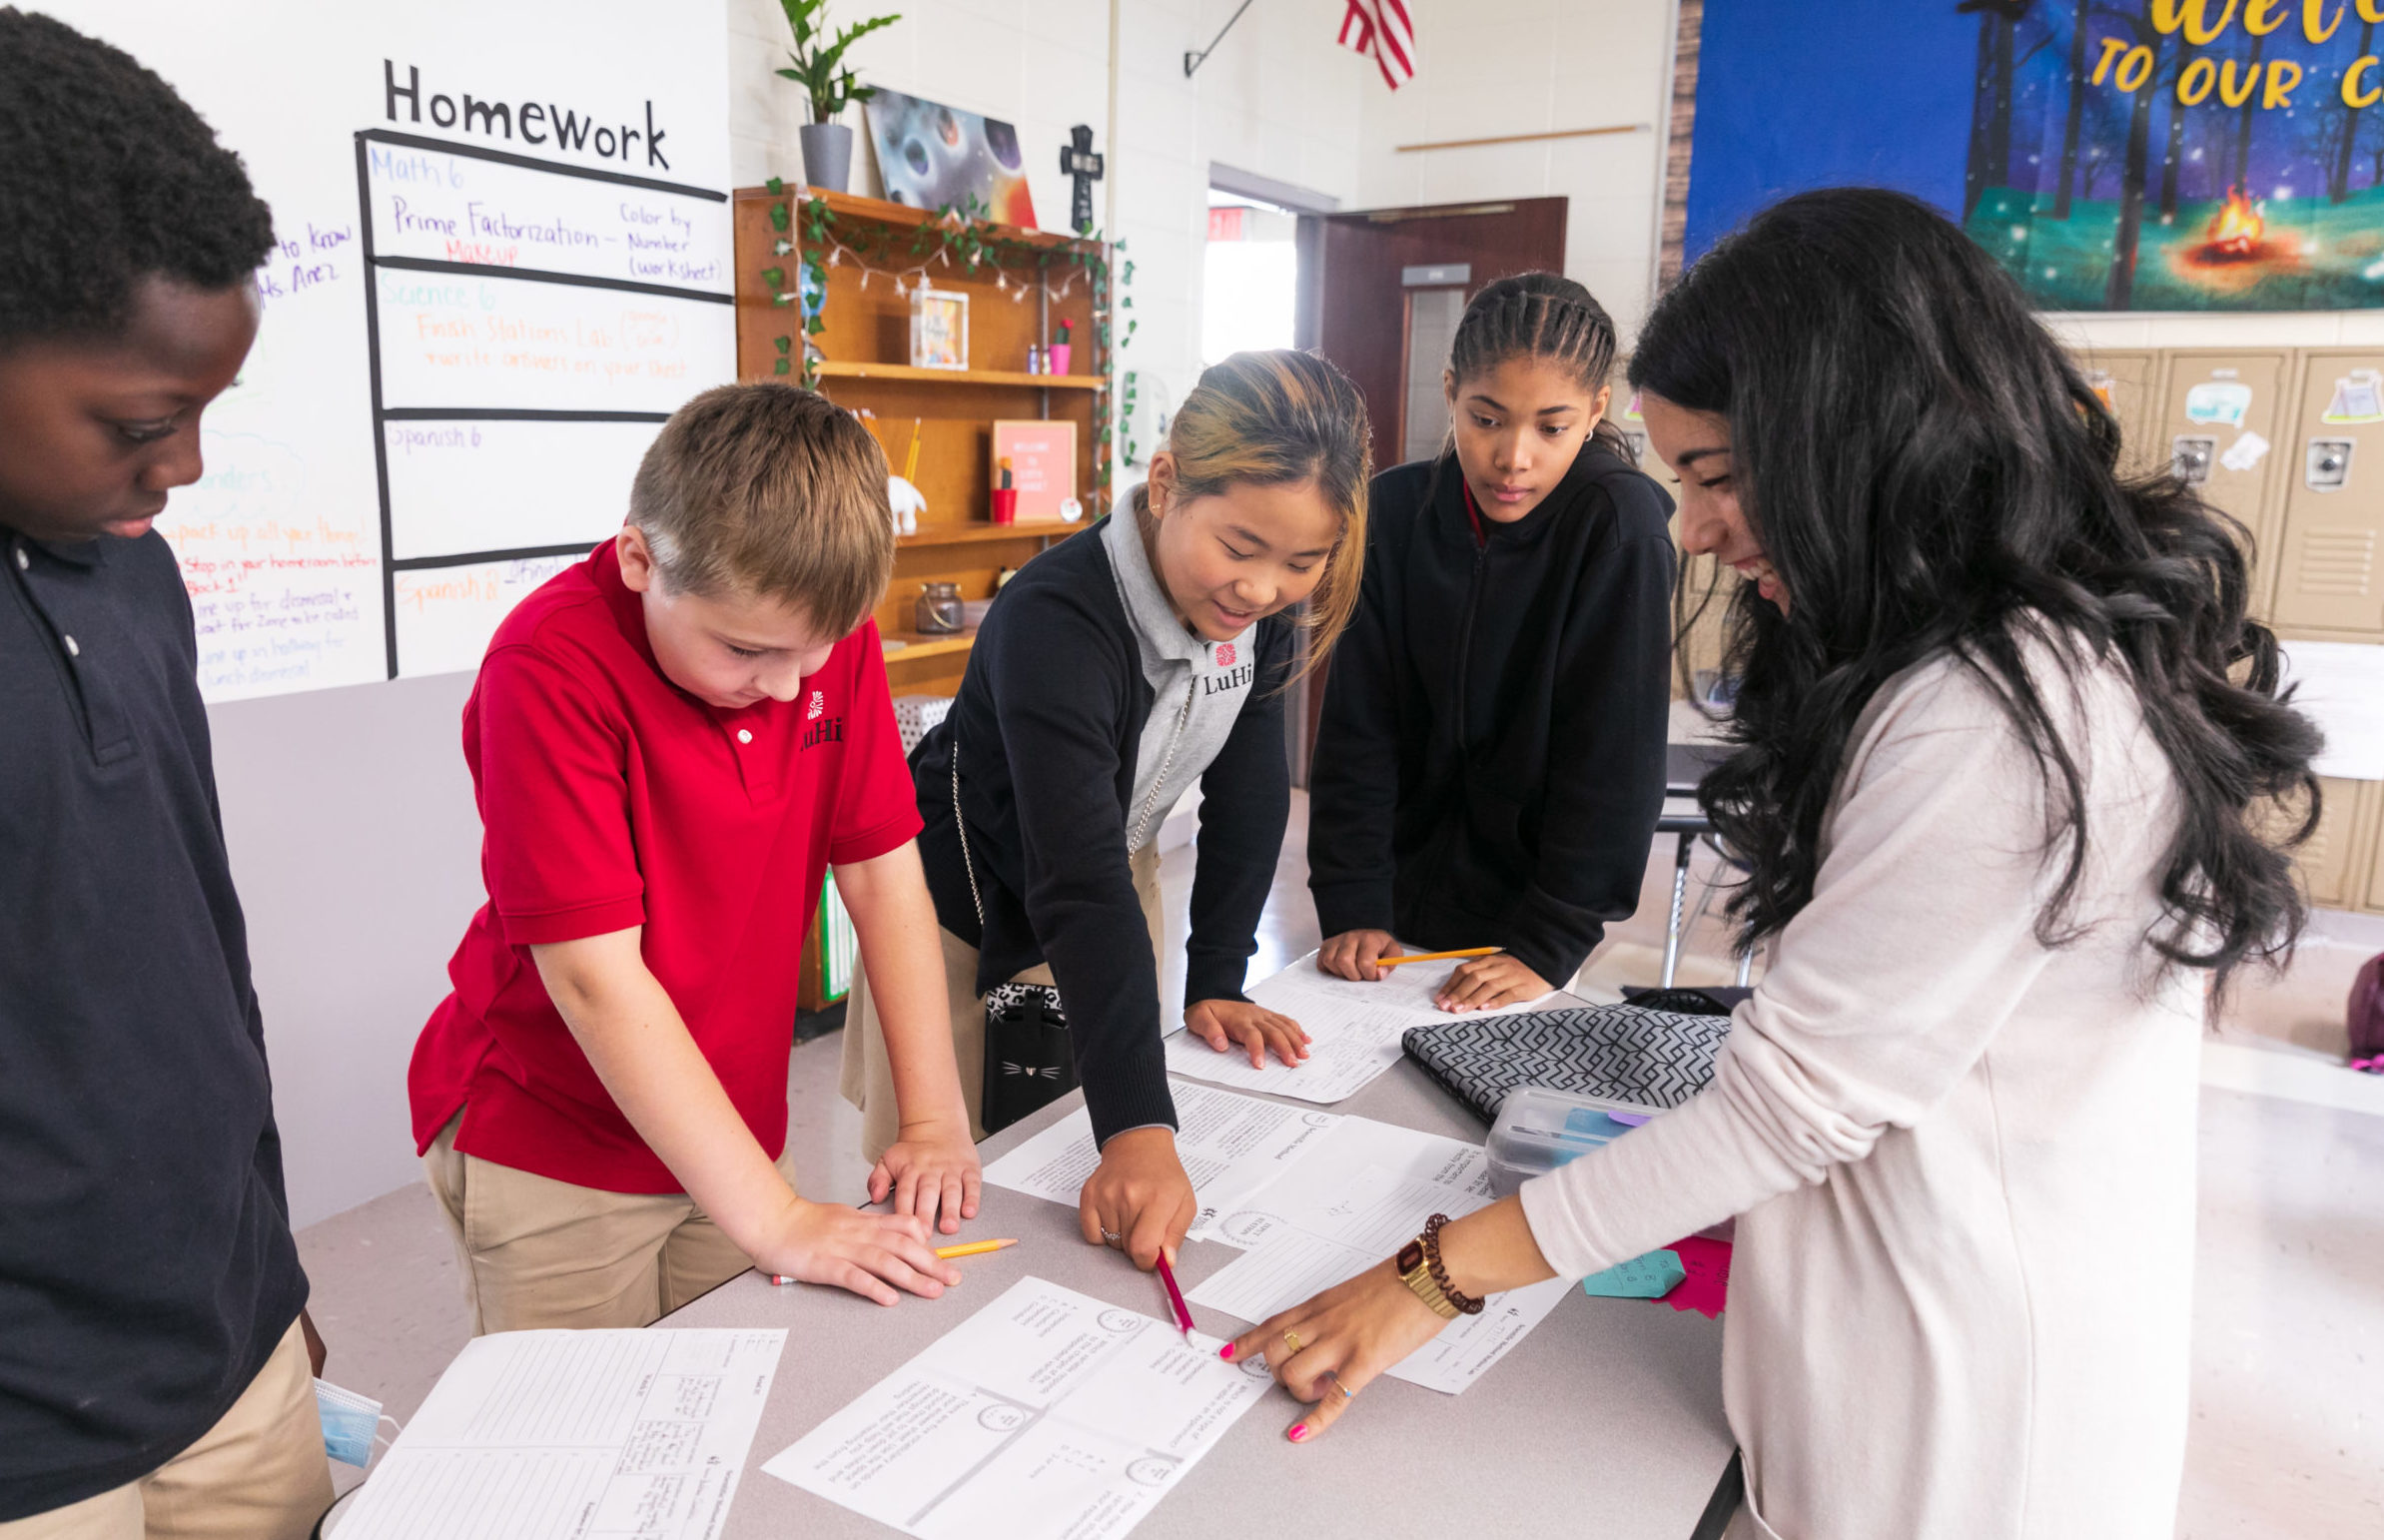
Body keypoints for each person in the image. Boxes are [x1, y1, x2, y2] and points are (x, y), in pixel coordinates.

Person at [1224, 190, 2320, 1540]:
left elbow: (1785, 1110)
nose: (1690, 530)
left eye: (1716, 475)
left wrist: (1427, 1276)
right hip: (1881, 1345)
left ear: (1859, 436)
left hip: (1963, 1419)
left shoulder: (1996, 714)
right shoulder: (1972, 660)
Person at [407, 383, 982, 1330]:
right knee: (582, 1441)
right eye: (747, 652)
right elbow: (594, 978)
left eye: (816, 653)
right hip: (562, 1143)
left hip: (733, 1127)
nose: (787, 686)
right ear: (639, 558)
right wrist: (781, 1218)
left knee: (725, 1412)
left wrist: (930, 1120)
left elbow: (882, 878)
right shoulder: (547, 669)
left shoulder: (806, 632)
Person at [0, 11, 335, 1536]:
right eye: (142, 423)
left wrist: (272, 1282)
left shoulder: (132, 572)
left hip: (227, 1355)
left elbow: (207, 954)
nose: (185, 468)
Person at [843, 349, 1370, 1270]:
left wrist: (1216, 977)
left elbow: (1248, 794)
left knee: (1064, 1164)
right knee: (950, 1181)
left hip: (1106, 874)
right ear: (1166, 483)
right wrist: (1135, 1127)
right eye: (1239, 549)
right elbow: (1076, 881)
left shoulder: (1259, 609)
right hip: (962, 909)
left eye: (1301, 561)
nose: (1260, 590)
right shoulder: (1056, 617)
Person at [1306, 274, 1674, 1011]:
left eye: (1551, 426)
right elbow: (1359, 725)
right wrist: (1352, 899)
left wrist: (1547, 942)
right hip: (1395, 908)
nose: (1513, 458)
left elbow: (1612, 756)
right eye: (1486, 418)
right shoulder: (1394, 511)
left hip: (1529, 926)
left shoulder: (1616, 525)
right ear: (1449, 392)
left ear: (1597, 409)